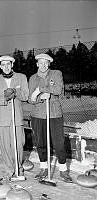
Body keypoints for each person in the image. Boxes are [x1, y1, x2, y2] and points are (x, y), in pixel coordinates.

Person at [28, 53, 72, 183]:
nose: (43, 65)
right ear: (37, 64)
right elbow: (31, 99)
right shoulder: (32, 78)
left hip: (54, 114)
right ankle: (44, 168)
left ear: (49, 63)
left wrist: (40, 90)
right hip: (38, 115)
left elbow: (58, 89)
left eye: (45, 62)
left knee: (59, 143)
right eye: (40, 63)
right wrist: (39, 97)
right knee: (41, 143)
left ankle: (63, 170)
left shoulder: (56, 73)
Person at [0, 55, 29, 177]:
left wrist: (15, 93)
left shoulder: (21, 77)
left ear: (12, 65)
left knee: (19, 143)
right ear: (0, 66)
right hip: (3, 119)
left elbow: (26, 96)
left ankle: (18, 168)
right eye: (3, 65)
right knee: (5, 145)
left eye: (8, 64)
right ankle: (9, 170)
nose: (6, 67)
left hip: (16, 117)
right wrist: (5, 98)